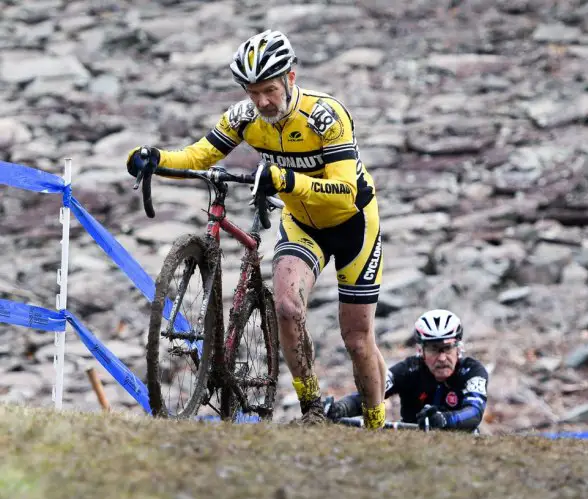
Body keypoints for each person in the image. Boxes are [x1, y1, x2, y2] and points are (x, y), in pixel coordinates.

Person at [126, 30, 388, 428]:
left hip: (353, 225)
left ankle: (376, 422)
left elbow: (345, 193)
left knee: (356, 338)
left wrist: (285, 180)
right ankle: (312, 409)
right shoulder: (245, 118)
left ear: (291, 79)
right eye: (253, 92)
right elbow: (199, 156)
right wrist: (155, 158)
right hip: (302, 224)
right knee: (285, 307)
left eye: (269, 90)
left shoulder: (326, 116)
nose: (262, 102)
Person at [326, 309, 489, 432]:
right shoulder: (409, 369)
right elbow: (372, 393)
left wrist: (445, 420)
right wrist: (343, 407)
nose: (441, 358)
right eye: (433, 349)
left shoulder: (472, 371)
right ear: (421, 351)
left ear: (458, 349)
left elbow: (474, 412)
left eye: (447, 349)